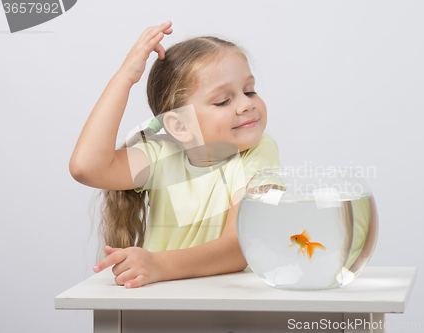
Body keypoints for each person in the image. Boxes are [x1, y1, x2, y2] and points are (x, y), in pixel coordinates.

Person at [69, 21, 282, 289]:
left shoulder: (258, 152)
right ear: (180, 126)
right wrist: (124, 77)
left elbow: (241, 245)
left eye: (249, 91)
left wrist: (159, 266)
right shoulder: (159, 155)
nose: (247, 104)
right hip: (160, 304)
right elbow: (86, 167)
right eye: (223, 101)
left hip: (230, 307)